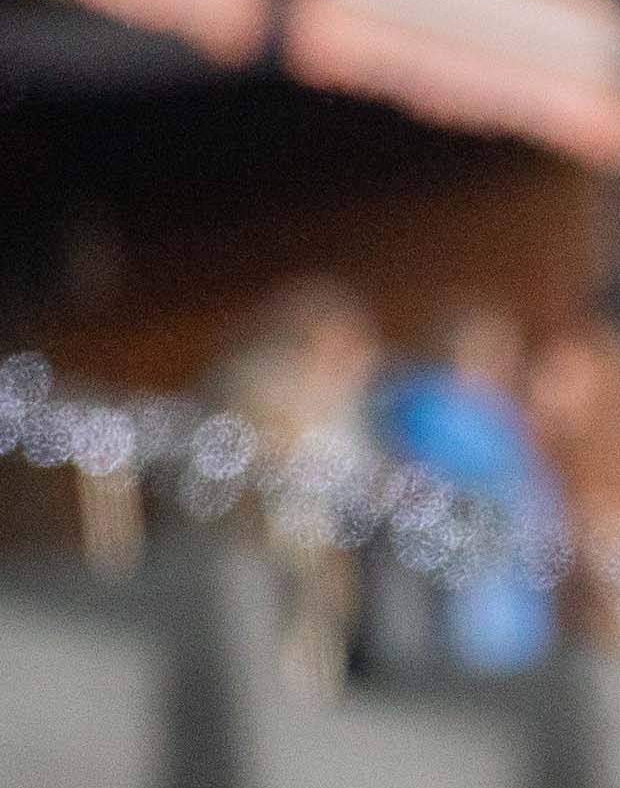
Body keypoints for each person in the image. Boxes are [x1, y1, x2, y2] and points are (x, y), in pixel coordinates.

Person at [202, 276, 381, 691]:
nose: (352, 357)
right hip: (266, 560)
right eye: (337, 344)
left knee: (322, 672)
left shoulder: (348, 407)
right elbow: (261, 470)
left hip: (323, 567)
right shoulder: (261, 387)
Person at [370, 302, 562, 677]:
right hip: (465, 603)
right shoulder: (430, 407)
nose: (508, 367)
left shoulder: (495, 413)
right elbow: (475, 489)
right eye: (497, 353)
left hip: (511, 600)